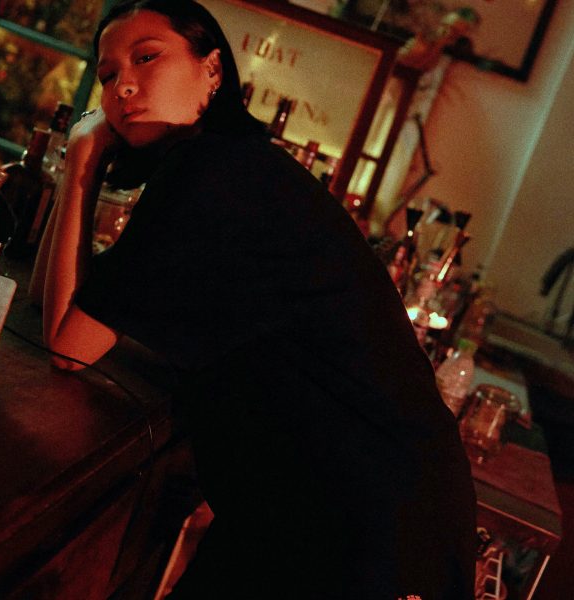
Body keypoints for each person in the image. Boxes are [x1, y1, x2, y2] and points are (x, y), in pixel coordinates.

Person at [34, 0, 477, 597]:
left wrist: (82, 167)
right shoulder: (229, 165)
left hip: (365, 527)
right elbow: (55, 300)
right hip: (324, 510)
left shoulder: (211, 173)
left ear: (213, 69)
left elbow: (68, 344)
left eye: (147, 57)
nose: (123, 86)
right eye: (108, 74)